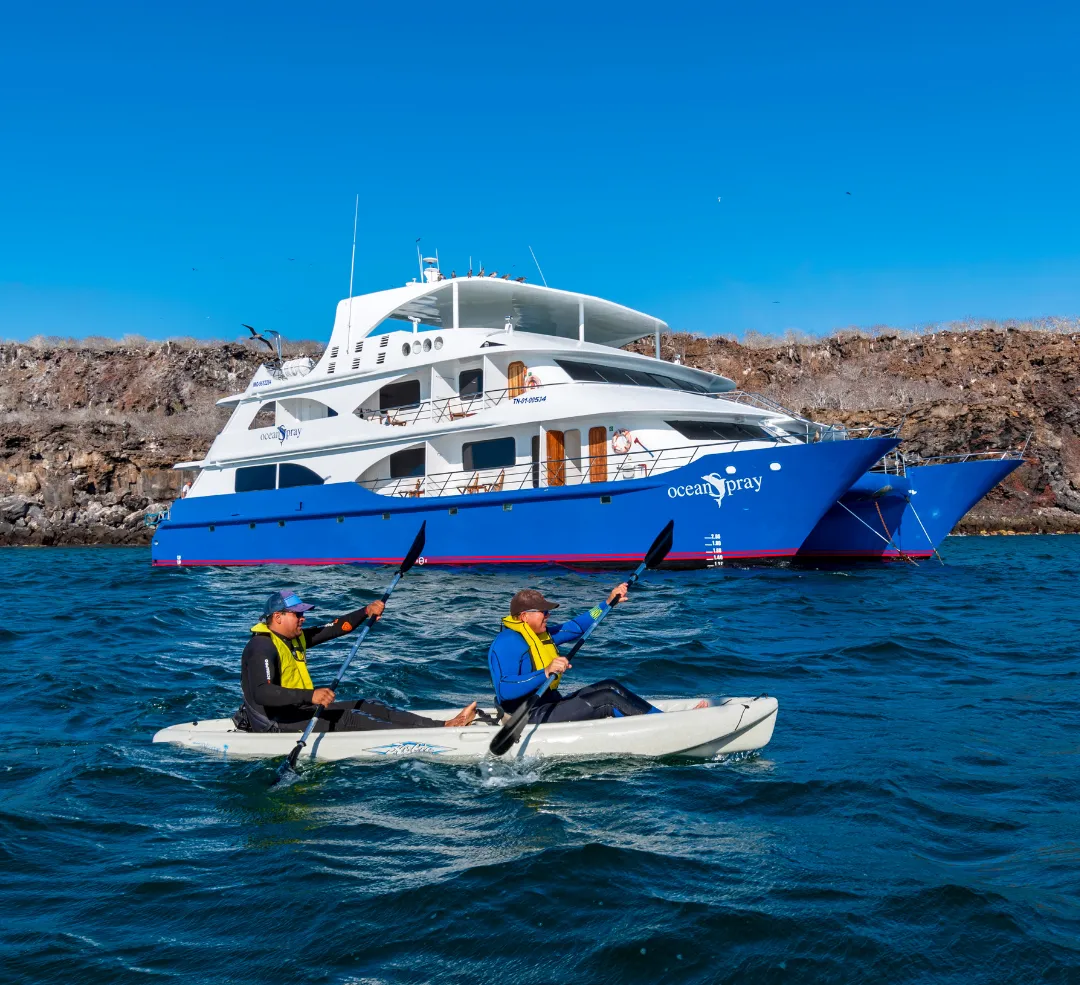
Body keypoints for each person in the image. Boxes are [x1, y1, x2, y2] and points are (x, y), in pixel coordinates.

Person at [235, 589, 476, 733]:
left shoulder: (293, 639)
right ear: (277, 617)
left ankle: (442, 725)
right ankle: (428, 736)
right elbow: (262, 693)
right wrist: (311, 696)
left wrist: (366, 611)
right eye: (297, 614)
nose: (303, 618)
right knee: (351, 718)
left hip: (296, 710)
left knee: (368, 705)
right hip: (273, 722)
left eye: (303, 613)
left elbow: (334, 628)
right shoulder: (261, 646)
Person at [488, 586, 679, 724]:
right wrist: (545, 672)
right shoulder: (508, 642)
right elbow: (505, 690)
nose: (548, 615)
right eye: (543, 612)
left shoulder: (538, 635)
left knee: (610, 685)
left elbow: (576, 627)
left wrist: (607, 603)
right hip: (525, 715)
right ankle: (666, 726)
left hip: (548, 704)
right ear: (524, 616)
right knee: (606, 698)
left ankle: (662, 719)